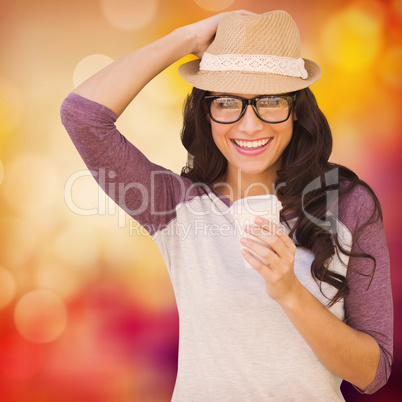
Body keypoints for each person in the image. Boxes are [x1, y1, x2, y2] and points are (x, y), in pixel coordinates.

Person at [60, 10, 393, 401]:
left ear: (298, 108)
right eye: (227, 102)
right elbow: (82, 116)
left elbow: (373, 374)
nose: (249, 126)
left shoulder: (349, 205)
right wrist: (185, 39)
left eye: (270, 100)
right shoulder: (174, 206)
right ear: (207, 111)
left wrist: (289, 292)